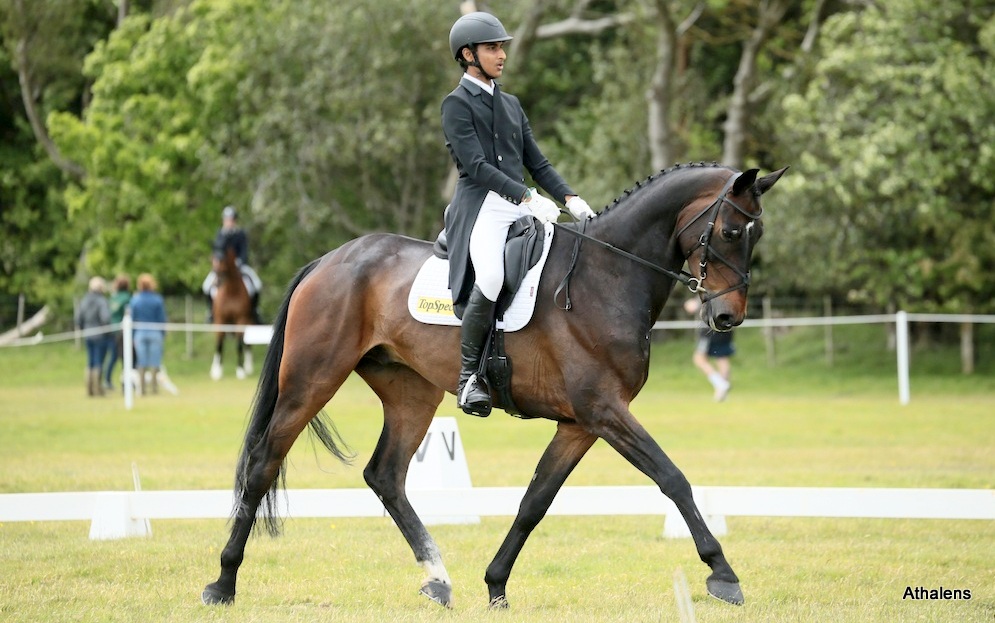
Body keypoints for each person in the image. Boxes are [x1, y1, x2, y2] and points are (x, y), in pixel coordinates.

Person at [442, 11, 596, 417]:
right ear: (468, 54)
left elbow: (537, 163)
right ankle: (469, 377)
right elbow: (476, 166)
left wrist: (570, 198)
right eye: (492, 48)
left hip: (520, 204)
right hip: (482, 206)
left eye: (502, 47)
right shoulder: (456, 105)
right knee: (492, 276)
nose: (502, 55)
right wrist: (526, 197)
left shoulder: (510, 104)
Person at [201, 205, 263, 323]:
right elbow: (217, 251)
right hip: (222, 268)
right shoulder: (220, 234)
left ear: (235, 221)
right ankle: (210, 311)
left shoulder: (240, 234)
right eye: (227, 219)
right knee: (206, 286)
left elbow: (244, 251)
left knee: (257, 283)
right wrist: (218, 263)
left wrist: (239, 262)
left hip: (239, 266)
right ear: (224, 220)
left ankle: (255, 310)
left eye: (231, 220)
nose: (229, 222)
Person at [684, 298, 734, 402]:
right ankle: (721, 393)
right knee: (722, 358)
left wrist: (695, 304)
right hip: (726, 325)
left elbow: (698, 304)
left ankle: (721, 384)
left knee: (699, 359)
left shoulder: (710, 291)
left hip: (709, 330)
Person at [130, 272, 167, 395]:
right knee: (155, 361)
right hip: (155, 332)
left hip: (140, 332)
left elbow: (132, 318)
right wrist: (163, 333)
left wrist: (132, 335)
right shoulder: (157, 300)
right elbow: (161, 318)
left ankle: (142, 389)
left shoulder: (135, 300)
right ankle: (154, 388)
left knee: (141, 361)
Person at [75, 276, 111, 397]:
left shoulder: (84, 300)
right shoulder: (102, 300)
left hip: (88, 334)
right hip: (100, 335)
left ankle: (89, 389)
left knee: (90, 361)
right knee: (98, 361)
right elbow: (105, 318)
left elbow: (78, 318)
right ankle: (97, 389)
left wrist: (83, 329)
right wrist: (107, 331)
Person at [103, 273, 132, 391]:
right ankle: (126, 381)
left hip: (111, 330)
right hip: (123, 331)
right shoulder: (127, 298)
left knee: (113, 357)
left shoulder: (112, 298)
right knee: (126, 357)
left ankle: (107, 380)